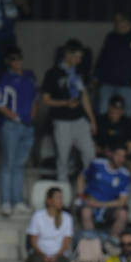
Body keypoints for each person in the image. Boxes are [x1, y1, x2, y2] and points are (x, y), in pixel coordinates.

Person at [42, 40, 97, 183]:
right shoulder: (53, 73)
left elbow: (84, 97)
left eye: (81, 57)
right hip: (62, 121)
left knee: (90, 154)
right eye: (77, 56)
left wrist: (91, 120)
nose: (79, 60)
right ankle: (63, 191)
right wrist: (65, 103)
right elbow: (46, 100)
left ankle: (89, 187)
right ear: (67, 54)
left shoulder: (80, 72)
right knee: (63, 158)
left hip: (79, 120)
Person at [0, 47, 37, 216]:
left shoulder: (29, 76)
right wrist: (16, 117)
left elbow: (35, 99)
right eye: (13, 59)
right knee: (8, 163)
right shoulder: (5, 79)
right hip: (11, 126)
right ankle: (6, 201)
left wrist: (31, 118)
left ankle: (18, 200)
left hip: (27, 126)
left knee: (19, 165)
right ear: (8, 63)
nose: (17, 62)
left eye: (18, 58)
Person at [94, 11, 131, 115]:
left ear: (127, 21)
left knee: (126, 115)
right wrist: (96, 76)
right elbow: (103, 59)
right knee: (104, 113)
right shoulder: (111, 37)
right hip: (108, 83)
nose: (117, 24)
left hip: (129, 85)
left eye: (119, 21)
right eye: (115, 22)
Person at [78, 143, 131, 239]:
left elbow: (122, 202)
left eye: (124, 156)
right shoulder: (97, 164)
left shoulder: (125, 175)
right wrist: (81, 195)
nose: (121, 159)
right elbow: (81, 177)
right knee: (86, 212)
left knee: (123, 214)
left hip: (109, 206)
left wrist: (100, 204)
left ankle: (113, 241)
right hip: (91, 202)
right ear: (110, 154)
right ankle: (92, 242)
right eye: (118, 155)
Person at [25, 187, 73, 262]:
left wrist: (55, 256)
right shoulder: (38, 216)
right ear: (49, 200)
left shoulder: (67, 218)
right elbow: (33, 241)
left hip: (59, 255)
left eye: (61, 198)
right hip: (40, 253)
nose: (61, 201)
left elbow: (66, 243)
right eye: (58, 198)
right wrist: (44, 255)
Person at [95, 95, 131, 159]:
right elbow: (92, 143)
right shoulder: (99, 120)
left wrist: (119, 155)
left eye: (118, 110)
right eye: (113, 109)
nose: (115, 112)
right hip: (102, 155)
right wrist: (102, 151)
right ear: (109, 108)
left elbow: (130, 147)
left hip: (122, 157)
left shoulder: (128, 123)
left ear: (122, 111)